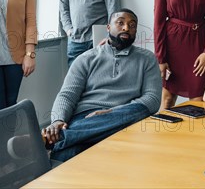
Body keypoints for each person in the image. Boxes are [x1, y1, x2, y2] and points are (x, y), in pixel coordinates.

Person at [42, 9, 161, 162]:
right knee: (65, 156)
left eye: (132, 25)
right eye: (120, 23)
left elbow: (152, 100)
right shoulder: (86, 58)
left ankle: (57, 139)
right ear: (108, 27)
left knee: (140, 109)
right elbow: (67, 95)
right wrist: (57, 120)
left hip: (124, 116)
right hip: (85, 117)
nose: (126, 28)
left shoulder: (147, 59)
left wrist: (111, 112)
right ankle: (63, 139)